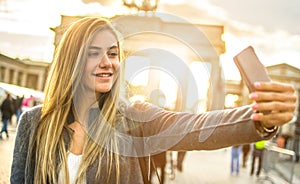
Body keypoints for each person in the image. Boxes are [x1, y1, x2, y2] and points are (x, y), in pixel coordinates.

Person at [10, 17, 297, 184]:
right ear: (70, 59)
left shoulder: (134, 119)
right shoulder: (34, 123)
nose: (108, 62)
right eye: (94, 53)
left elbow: (198, 128)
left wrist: (260, 119)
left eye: (113, 53)